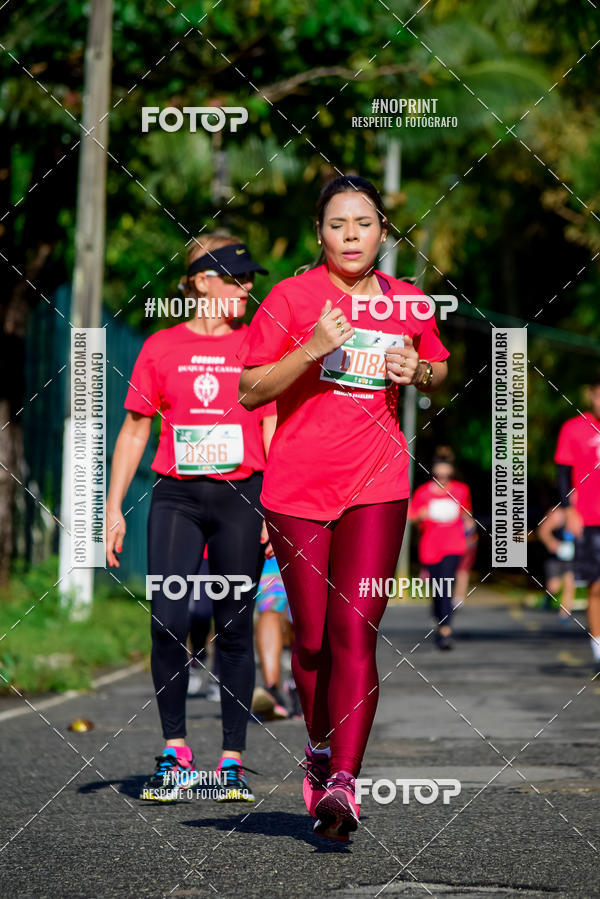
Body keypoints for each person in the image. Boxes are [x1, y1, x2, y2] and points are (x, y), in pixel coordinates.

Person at [238, 174, 449, 841]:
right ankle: (321, 748)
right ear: (319, 233)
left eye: (364, 223)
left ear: (383, 231)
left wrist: (413, 369)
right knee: (311, 636)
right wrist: (311, 347)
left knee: (355, 631)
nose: (351, 235)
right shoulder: (291, 297)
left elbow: (438, 370)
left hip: (379, 483)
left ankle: (344, 783)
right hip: (297, 489)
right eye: (338, 224)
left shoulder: (410, 302)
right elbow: (248, 391)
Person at [105, 232, 276, 802]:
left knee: (232, 624)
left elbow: (273, 426)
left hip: (241, 495)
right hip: (176, 496)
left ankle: (231, 760)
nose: (247, 287)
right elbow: (135, 429)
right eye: (235, 277)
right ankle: (175, 752)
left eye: (250, 278)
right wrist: (113, 508)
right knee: (168, 621)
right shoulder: (160, 347)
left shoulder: (259, 344)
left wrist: (272, 508)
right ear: (202, 281)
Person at [554, 378, 600, 672]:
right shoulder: (574, 428)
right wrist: (569, 508)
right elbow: (562, 474)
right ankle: (598, 647)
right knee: (597, 587)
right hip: (589, 518)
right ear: (592, 395)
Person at [409, 449, 473, 649]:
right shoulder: (423, 493)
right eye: (439, 474)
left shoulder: (461, 490)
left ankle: (446, 631)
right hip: (430, 547)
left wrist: (469, 526)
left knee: (446, 584)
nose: (443, 478)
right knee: (437, 588)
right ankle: (439, 615)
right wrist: (422, 514)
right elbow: (412, 516)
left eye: (446, 474)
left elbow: (467, 514)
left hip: (453, 545)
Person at [252, 554, 302, 720]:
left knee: (305, 606)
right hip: (270, 535)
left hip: (310, 533)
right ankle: (272, 691)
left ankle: (300, 685)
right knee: (270, 602)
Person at [536, 506, 576, 623]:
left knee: (570, 583)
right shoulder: (557, 514)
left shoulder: (579, 512)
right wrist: (551, 543)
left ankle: (564, 614)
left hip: (571, 556)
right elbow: (543, 531)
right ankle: (549, 597)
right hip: (555, 556)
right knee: (554, 587)